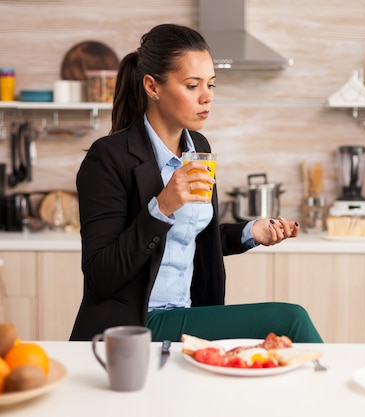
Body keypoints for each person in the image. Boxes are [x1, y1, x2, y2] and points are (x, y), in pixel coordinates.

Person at [69, 24, 322, 343]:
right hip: (137, 324)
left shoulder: (197, 148)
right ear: (152, 86)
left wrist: (249, 232)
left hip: (186, 315)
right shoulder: (108, 158)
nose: (207, 98)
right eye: (192, 86)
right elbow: (99, 276)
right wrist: (161, 207)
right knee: (291, 319)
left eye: (211, 85)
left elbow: (190, 236)